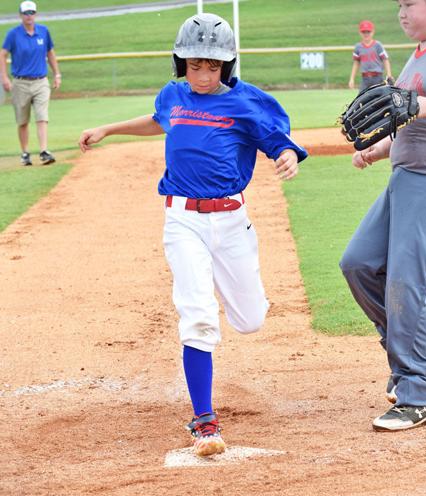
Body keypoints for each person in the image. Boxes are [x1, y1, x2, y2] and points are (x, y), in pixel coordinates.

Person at [79, 13, 307, 456]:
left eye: (213, 66)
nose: (203, 75)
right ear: (180, 63)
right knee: (198, 316)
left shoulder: (244, 103)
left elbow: (276, 138)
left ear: (228, 66)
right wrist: (109, 129)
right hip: (183, 220)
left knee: (250, 319)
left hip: (231, 220)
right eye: (194, 65)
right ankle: (204, 420)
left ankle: (228, 293)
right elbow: (158, 117)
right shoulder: (174, 96)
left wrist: (286, 157)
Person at [340, 0, 426, 432]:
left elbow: (418, 109)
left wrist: (419, 105)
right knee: (358, 264)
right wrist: (378, 149)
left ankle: (420, 391)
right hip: (403, 177)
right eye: (398, 4)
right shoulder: (418, 54)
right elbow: (408, 121)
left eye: (410, 3)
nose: (401, 11)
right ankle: (411, 359)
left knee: (405, 282)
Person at [0, 1, 61, 166]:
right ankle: (25, 153)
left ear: (36, 14)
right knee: (22, 121)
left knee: (42, 116)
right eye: (26, 13)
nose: (29, 16)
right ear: (20, 15)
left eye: (32, 12)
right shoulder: (13, 34)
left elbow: (50, 53)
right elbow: (3, 54)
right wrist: (4, 77)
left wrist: (57, 74)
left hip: (41, 81)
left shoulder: (43, 31)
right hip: (20, 83)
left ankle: (44, 151)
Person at [348, 20, 393, 92]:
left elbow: (385, 60)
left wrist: (389, 75)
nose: (366, 34)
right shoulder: (358, 47)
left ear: (373, 32)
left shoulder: (378, 45)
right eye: (363, 32)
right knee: (362, 99)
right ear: (360, 33)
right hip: (365, 78)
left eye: (368, 32)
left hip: (377, 77)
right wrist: (352, 79)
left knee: (380, 98)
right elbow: (356, 63)